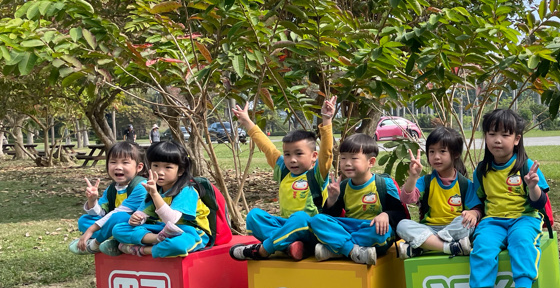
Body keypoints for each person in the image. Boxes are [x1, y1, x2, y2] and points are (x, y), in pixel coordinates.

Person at [462, 108, 550, 288]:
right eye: (491, 134)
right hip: (493, 221)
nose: (497, 140)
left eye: (505, 134)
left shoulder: (527, 166)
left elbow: (540, 203)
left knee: (521, 241)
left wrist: (533, 186)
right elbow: (478, 202)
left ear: (517, 139)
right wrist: (474, 213)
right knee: (482, 246)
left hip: (524, 218)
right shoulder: (482, 170)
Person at [229, 97, 336, 261]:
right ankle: (289, 246)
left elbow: (327, 153)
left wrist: (327, 120)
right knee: (254, 216)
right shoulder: (284, 170)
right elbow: (268, 148)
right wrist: (247, 122)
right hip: (285, 226)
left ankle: (262, 250)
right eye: (287, 154)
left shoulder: (317, 173)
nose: (292, 159)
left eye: (299, 154)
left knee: (299, 217)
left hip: (311, 229)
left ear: (314, 156)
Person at [308, 133, 405, 265]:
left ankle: (338, 249)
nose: (347, 163)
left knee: (383, 231)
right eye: (343, 158)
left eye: (354, 158)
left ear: (371, 162)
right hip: (350, 227)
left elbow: (400, 214)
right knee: (316, 220)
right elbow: (331, 216)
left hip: (372, 229)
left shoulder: (384, 184)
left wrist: (386, 215)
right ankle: (353, 251)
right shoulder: (343, 186)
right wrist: (332, 199)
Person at [110, 140, 210, 257]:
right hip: (162, 230)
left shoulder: (187, 191)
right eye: (155, 166)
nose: (160, 172)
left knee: (178, 245)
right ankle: (158, 239)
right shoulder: (156, 190)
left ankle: (143, 250)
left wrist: (155, 194)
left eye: (168, 167)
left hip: (190, 231)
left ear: (180, 171)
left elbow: (171, 220)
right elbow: (143, 213)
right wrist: (137, 219)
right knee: (119, 229)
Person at [395, 126, 474, 258]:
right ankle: (451, 247)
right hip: (429, 228)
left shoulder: (465, 184)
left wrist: (474, 213)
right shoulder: (425, 181)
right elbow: (406, 199)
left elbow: (476, 208)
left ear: (455, 154)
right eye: (431, 152)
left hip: (453, 228)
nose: (436, 157)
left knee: (467, 223)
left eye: (442, 151)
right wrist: (413, 177)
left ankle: (425, 246)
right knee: (402, 225)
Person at [68, 141, 147, 255]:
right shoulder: (112, 188)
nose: (118, 167)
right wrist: (92, 200)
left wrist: (91, 230)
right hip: (112, 224)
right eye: (113, 162)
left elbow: (119, 212)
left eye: (125, 162)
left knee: (120, 216)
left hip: (134, 227)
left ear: (139, 167)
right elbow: (101, 214)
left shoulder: (141, 186)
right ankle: (112, 242)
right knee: (84, 220)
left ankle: (95, 244)